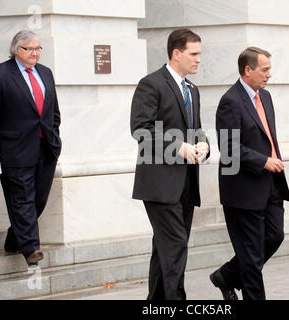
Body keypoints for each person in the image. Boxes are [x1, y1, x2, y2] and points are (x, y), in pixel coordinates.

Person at [130, 28, 209, 300]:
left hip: (186, 184)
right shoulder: (150, 84)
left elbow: (196, 129)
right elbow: (141, 130)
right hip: (159, 184)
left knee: (166, 248)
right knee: (175, 245)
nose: (199, 59)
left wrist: (204, 145)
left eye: (200, 53)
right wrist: (178, 147)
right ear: (176, 54)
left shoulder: (192, 90)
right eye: (194, 54)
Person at [212, 47, 289, 300]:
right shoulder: (230, 101)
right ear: (248, 70)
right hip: (243, 190)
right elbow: (228, 148)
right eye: (265, 69)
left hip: (271, 186)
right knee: (252, 257)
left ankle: (227, 274)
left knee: (274, 235)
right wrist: (263, 161)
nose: (270, 74)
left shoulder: (265, 97)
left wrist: (273, 161)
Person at [0, 30, 61, 265]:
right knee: (22, 198)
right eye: (29, 49)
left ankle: (14, 238)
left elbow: (54, 113)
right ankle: (31, 248)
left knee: (38, 199)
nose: (35, 53)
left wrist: (55, 137)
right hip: (14, 151)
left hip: (45, 149)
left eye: (38, 48)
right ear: (15, 50)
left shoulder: (45, 74)